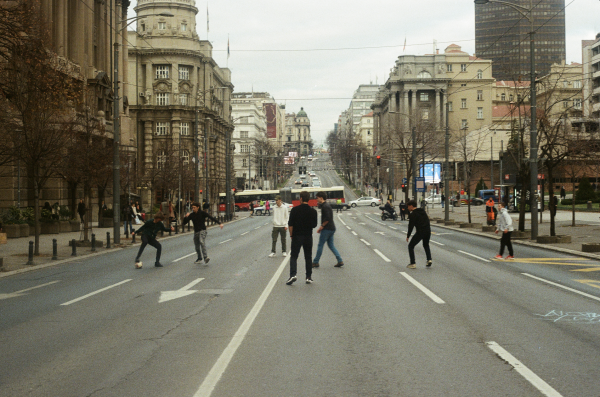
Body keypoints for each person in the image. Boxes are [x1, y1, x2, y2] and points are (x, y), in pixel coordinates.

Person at [286, 191, 318, 285]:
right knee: (308, 257)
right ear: (308, 199)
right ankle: (308, 277)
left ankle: (293, 275)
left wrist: (291, 235)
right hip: (308, 236)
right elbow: (314, 225)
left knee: (294, 256)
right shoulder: (313, 211)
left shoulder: (294, 210)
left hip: (297, 236)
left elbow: (290, 224)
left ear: (300, 198)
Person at [312, 192, 344, 268]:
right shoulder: (326, 205)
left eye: (317, 198)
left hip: (327, 229)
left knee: (320, 245)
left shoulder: (325, 206)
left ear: (321, 198)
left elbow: (327, 218)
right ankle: (340, 260)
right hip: (331, 228)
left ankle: (315, 262)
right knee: (331, 245)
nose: (317, 199)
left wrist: (321, 226)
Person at [405, 199, 432, 269]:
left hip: (420, 232)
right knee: (426, 245)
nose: (407, 208)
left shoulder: (413, 214)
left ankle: (412, 263)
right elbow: (427, 221)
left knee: (411, 246)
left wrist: (408, 236)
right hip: (428, 231)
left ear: (411, 206)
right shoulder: (422, 211)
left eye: (408, 206)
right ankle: (429, 259)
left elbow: (411, 226)